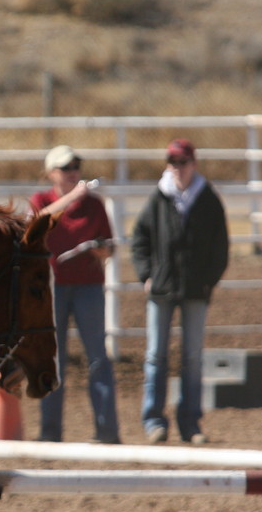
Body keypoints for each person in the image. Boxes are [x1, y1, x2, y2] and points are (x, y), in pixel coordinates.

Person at [131, 139, 229, 444]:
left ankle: (190, 423)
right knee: (155, 354)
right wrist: (147, 275)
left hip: (195, 289)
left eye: (182, 163)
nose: (177, 169)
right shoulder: (159, 198)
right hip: (161, 289)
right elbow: (140, 239)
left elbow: (220, 246)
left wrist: (207, 281)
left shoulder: (208, 199)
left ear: (193, 164)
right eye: (172, 163)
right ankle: (154, 421)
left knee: (192, 356)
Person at [30, 145, 121, 444]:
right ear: (51, 173)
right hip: (52, 289)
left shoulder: (94, 206)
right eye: (66, 168)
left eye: (76, 167)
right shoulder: (42, 200)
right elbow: (37, 222)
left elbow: (110, 248)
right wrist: (72, 198)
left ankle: (107, 432)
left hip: (88, 287)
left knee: (98, 358)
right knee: (53, 360)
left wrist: (100, 249)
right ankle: (50, 432)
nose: (73, 173)